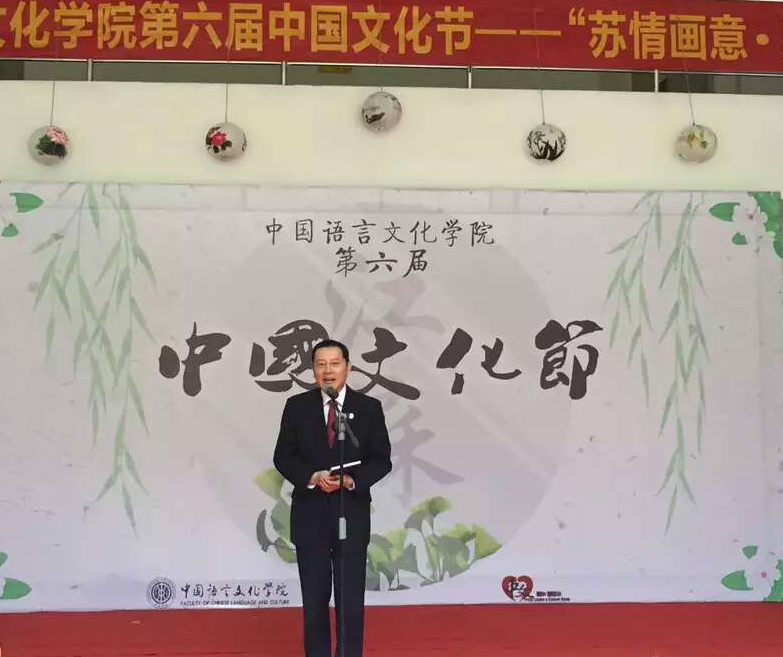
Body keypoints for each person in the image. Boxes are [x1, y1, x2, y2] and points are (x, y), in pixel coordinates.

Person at [273, 339, 392, 657]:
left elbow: (381, 460)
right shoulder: (297, 407)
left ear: (348, 368)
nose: (328, 370)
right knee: (314, 597)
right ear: (313, 371)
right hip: (310, 513)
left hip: (350, 512)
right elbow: (283, 456)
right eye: (321, 364)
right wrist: (312, 477)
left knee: (350, 596)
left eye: (334, 363)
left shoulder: (368, 408)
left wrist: (352, 480)